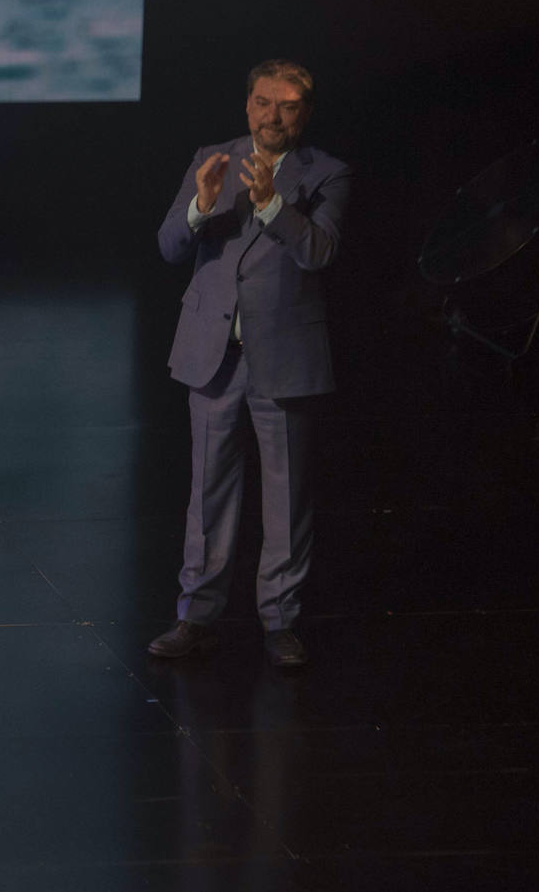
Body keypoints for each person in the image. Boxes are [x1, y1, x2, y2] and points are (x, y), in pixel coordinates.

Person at [149, 59, 350, 668]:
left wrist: (269, 206)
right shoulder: (213, 156)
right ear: (248, 106)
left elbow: (319, 252)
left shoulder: (327, 173)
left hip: (283, 357)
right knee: (207, 492)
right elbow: (169, 246)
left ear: (304, 113)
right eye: (264, 103)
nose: (273, 116)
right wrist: (200, 206)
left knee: (286, 496)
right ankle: (197, 616)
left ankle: (280, 622)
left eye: (287, 106)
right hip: (213, 355)